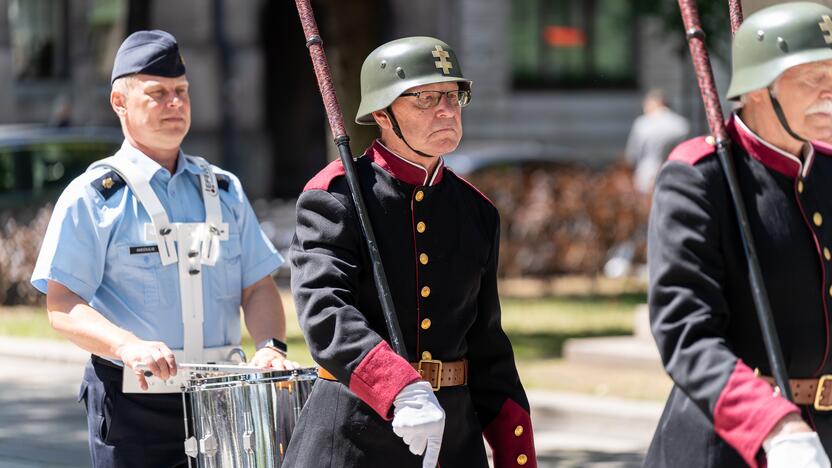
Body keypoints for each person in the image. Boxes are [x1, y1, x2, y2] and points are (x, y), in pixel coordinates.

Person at [31, 29, 295, 467]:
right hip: (134, 405)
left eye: (182, 91)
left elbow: (258, 286)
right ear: (120, 102)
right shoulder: (93, 196)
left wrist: (271, 345)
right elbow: (62, 305)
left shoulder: (224, 190)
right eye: (158, 93)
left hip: (222, 400)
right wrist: (126, 345)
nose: (175, 103)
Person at [284, 37, 537, 467]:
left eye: (453, 96)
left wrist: (517, 453)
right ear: (382, 114)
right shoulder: (337, 196)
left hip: (453, 441)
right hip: (352, 437)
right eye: (425, 98)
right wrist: (398, 385)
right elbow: (325, 312)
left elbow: (486, 344)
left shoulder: (476, 211)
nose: (446, 109)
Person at [646, 3, 832, 467]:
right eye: (813, 77)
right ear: (758, 89)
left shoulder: (828, 170)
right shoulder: (698, 177)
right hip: (730, 445)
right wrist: (776, 424)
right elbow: (686, 332)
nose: (830, 93)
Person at [624, 89, 690, 195]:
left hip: (646, 175)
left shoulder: (642, 124)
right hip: (674, 175)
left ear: (653, 103)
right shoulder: (682, 124)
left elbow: (632, 155)